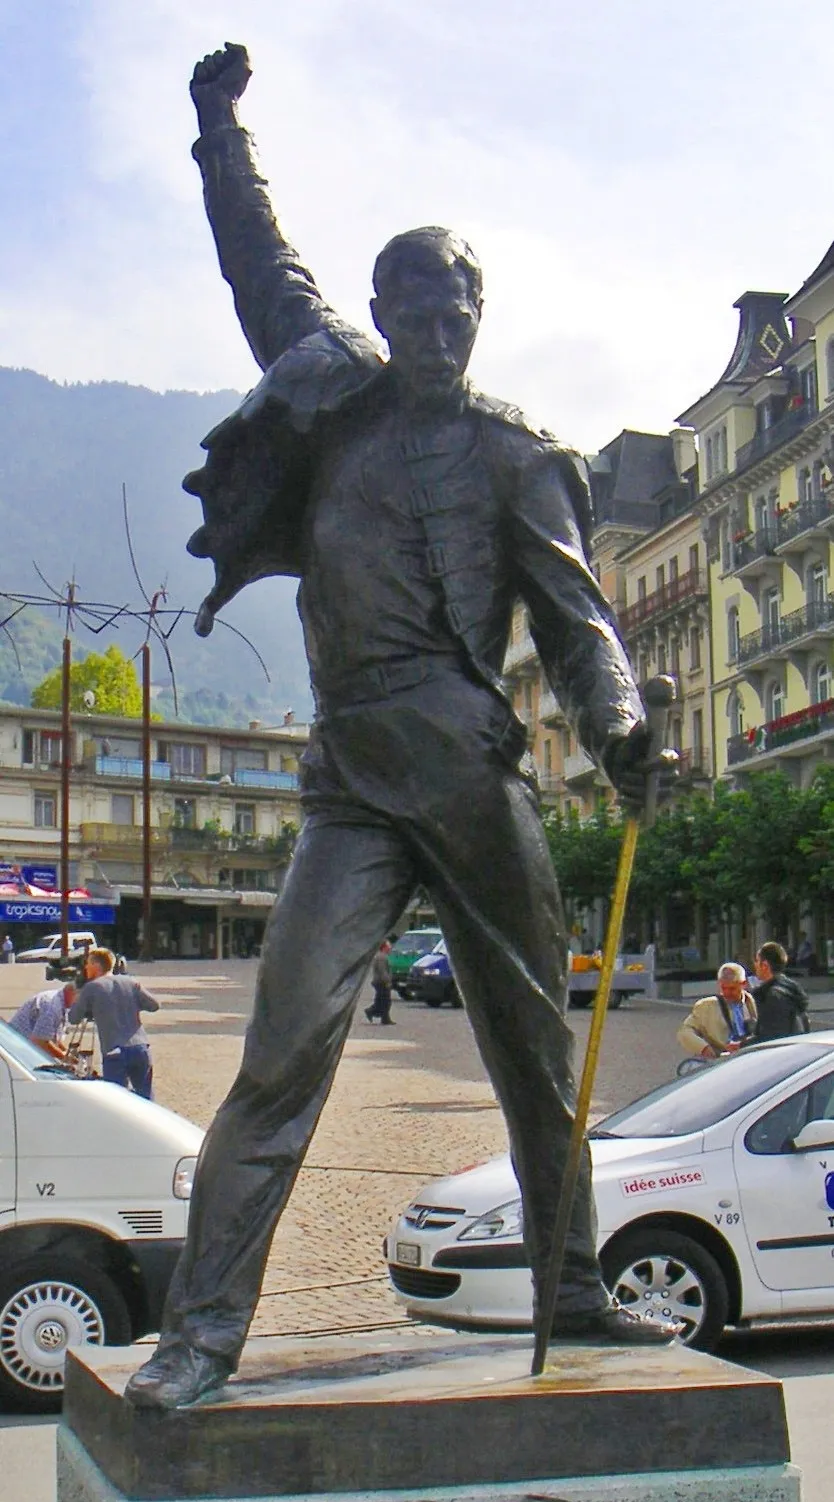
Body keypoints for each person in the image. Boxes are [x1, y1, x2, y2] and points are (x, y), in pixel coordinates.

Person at [125, 42, 679, 1412]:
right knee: (281, 1054)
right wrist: (218, 131)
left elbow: (579, 622)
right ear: (381, 309)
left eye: (459, 310)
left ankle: (568, 1284)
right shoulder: (329, 394)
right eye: (418, 308)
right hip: (351, 781)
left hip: (475, 775)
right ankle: (202, 1335)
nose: (440, 329)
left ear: (479, 317)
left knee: (533, 1051)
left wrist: (618, 732)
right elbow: (255, 256)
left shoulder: (518, 453)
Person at [67, 948, 160, 1097]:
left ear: (96, 966)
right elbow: (154, 1005)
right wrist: (130, 1004)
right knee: (146, 1097)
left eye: (88, 964)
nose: (85, 967)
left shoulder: (92, 987)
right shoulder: (131, 982)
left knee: (117, 1099)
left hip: (115, 1051)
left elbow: (73, 1018)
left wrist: (81, 998)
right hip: (140, 1047)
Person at [677, 964, 756, 1060]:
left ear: (743, 984)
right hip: (721, 1059)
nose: (727, 993)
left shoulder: (756, 1003)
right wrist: (704, 1048)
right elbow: (685, 1031)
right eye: (723, 988)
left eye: (732, 989)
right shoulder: (706, 1007)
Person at [752, 941, 810, 1041]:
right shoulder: (793, 991)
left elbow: (770, 1037)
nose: (755, 965)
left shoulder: (772, 996)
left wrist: (741, 1046)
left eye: (757, 961)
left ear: (765, 965)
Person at [9, 981, 76, 1044]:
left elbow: (53, 1039)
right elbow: (40, 1042)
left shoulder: (64, 1005)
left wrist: (65, 1052)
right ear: (71, 992)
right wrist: (63, 1055)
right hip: (15, 1046)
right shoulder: (51, 1006)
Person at [365, 941, 394, 1025]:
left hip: (380, 981)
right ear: (384, 947)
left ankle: (385, 1018)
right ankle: (371, 1011)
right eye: (388, 946)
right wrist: (387, 981)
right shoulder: (381, 957)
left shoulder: (383, 956)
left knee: (383, 1001)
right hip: (381, 982)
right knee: (384, 1001)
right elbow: (382, 971)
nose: (390, 947)